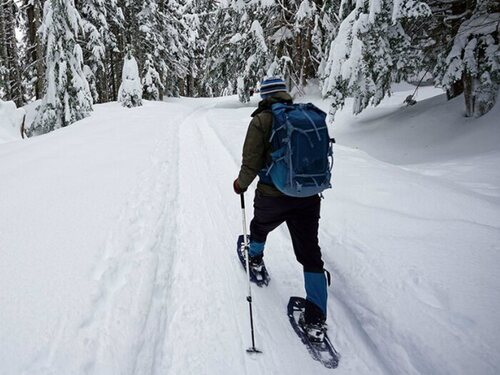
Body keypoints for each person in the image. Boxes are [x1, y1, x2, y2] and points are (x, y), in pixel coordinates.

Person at [233, 77, 329, 342]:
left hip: (273, 194)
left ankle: (254, 257)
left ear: (265, 96)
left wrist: (240, 185)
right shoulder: (306, 115)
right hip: (309, 195)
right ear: (285, 94)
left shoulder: (261, 121)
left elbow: (250, 163)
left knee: (259, 227)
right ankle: (316, 317)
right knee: (310, 252)